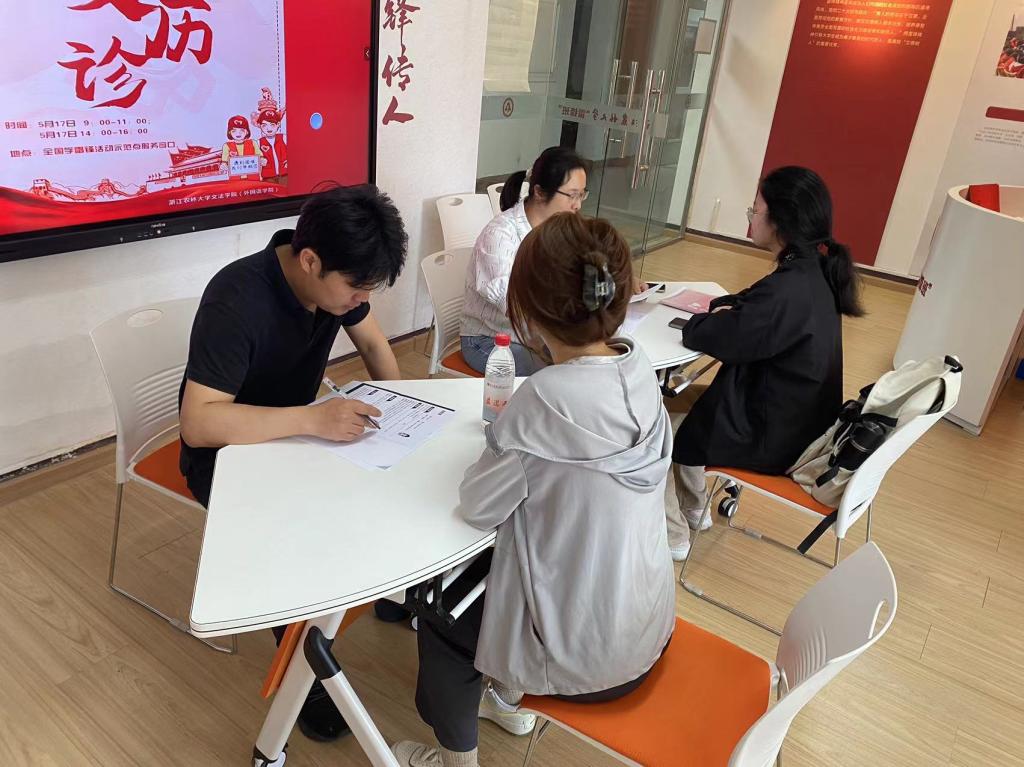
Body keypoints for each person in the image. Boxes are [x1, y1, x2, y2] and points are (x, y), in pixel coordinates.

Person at [393, 214, 676, 767]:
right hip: (644, 622)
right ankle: (506, 698)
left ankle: (457, 759)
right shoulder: (640, 367)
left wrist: (500, 446)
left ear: (527, 309)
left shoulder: (545, 399)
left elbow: (478, 506)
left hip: (580, 658)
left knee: (439, 608)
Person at [177, 183, 407, 740]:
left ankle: (393, 586)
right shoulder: (236, 297)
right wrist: (311, 420)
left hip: (299, 435)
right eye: (356, 288)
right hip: (229, 455)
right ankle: (305, 673)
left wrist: (402, 413)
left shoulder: (336, 283)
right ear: (310, 261)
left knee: (391, 481)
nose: (360, 300)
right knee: (293, 539)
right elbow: (199, 423)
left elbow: (374, 346)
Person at [666, 166, 865, 560]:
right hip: (796, 421)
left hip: (773, 437)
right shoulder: (813, 271)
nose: (750, 218)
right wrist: (728, 310)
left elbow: (716, 337)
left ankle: (671, 535)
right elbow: (750, 309)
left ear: (780, 220)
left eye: (754, 211)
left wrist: (700, 321)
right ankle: (694, 508)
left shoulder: (788, 290)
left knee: (655, 427)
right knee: (679, 404)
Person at [459, 146, 589, 375]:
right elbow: (515, 304)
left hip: (536, 337)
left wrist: (615, 282)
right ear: (539, 192)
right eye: (572, 195)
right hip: (490, 341)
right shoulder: (500, 235)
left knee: (589, 364)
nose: (577, 204)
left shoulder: (561, 231)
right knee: (561, 375)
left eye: (582, 195)